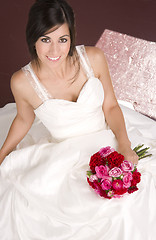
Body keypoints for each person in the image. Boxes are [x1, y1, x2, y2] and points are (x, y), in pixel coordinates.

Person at [0, 0, 155, 239]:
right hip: (64, 155)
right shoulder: (22, 81)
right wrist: (2, 155)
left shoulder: (93, 58)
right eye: (45, 40)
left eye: (62, 39)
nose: (54, 51)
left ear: (71, 36)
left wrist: (124, 145)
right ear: (33, 39)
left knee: (132, 202)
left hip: (107, 140)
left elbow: (111, 106)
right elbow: (23, 119)